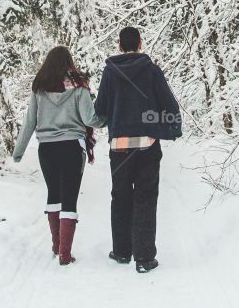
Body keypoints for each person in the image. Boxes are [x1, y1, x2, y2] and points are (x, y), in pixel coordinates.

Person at [93, 26, 182, 274]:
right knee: (146, 197)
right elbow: (168, 103)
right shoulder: (152, 71)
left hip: (119, 147)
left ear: (120, 45)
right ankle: (144, 257)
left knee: (120, 196)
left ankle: (122, 251)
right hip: (147, 146)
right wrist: (171, 128)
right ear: (140, 44)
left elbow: (100, 109)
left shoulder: (109, 74)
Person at [13, 46, 106, 265]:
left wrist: (18, 152)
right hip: (72, 146)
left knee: (53, 193)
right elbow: (88, 118)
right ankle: (65, 254)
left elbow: (30, 122)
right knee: (70, 197)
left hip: (47, 149)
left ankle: (56, 245)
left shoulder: (40, 88)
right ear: (69, 62)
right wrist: (107, 120)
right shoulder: (79, 86)